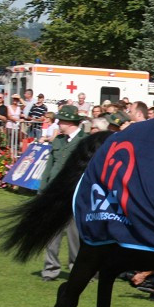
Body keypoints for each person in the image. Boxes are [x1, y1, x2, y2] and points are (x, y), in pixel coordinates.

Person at [40, 105, 87, 281]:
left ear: (70, 122)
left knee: (75, 237)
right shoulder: (58, 140)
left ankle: (77, 270)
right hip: (54, 195)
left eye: (61, 120)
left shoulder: (84, 141)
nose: (58, 123)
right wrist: (42, 189)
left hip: (74, 196)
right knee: (52, 236)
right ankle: (50, 270)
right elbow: (49, 166)